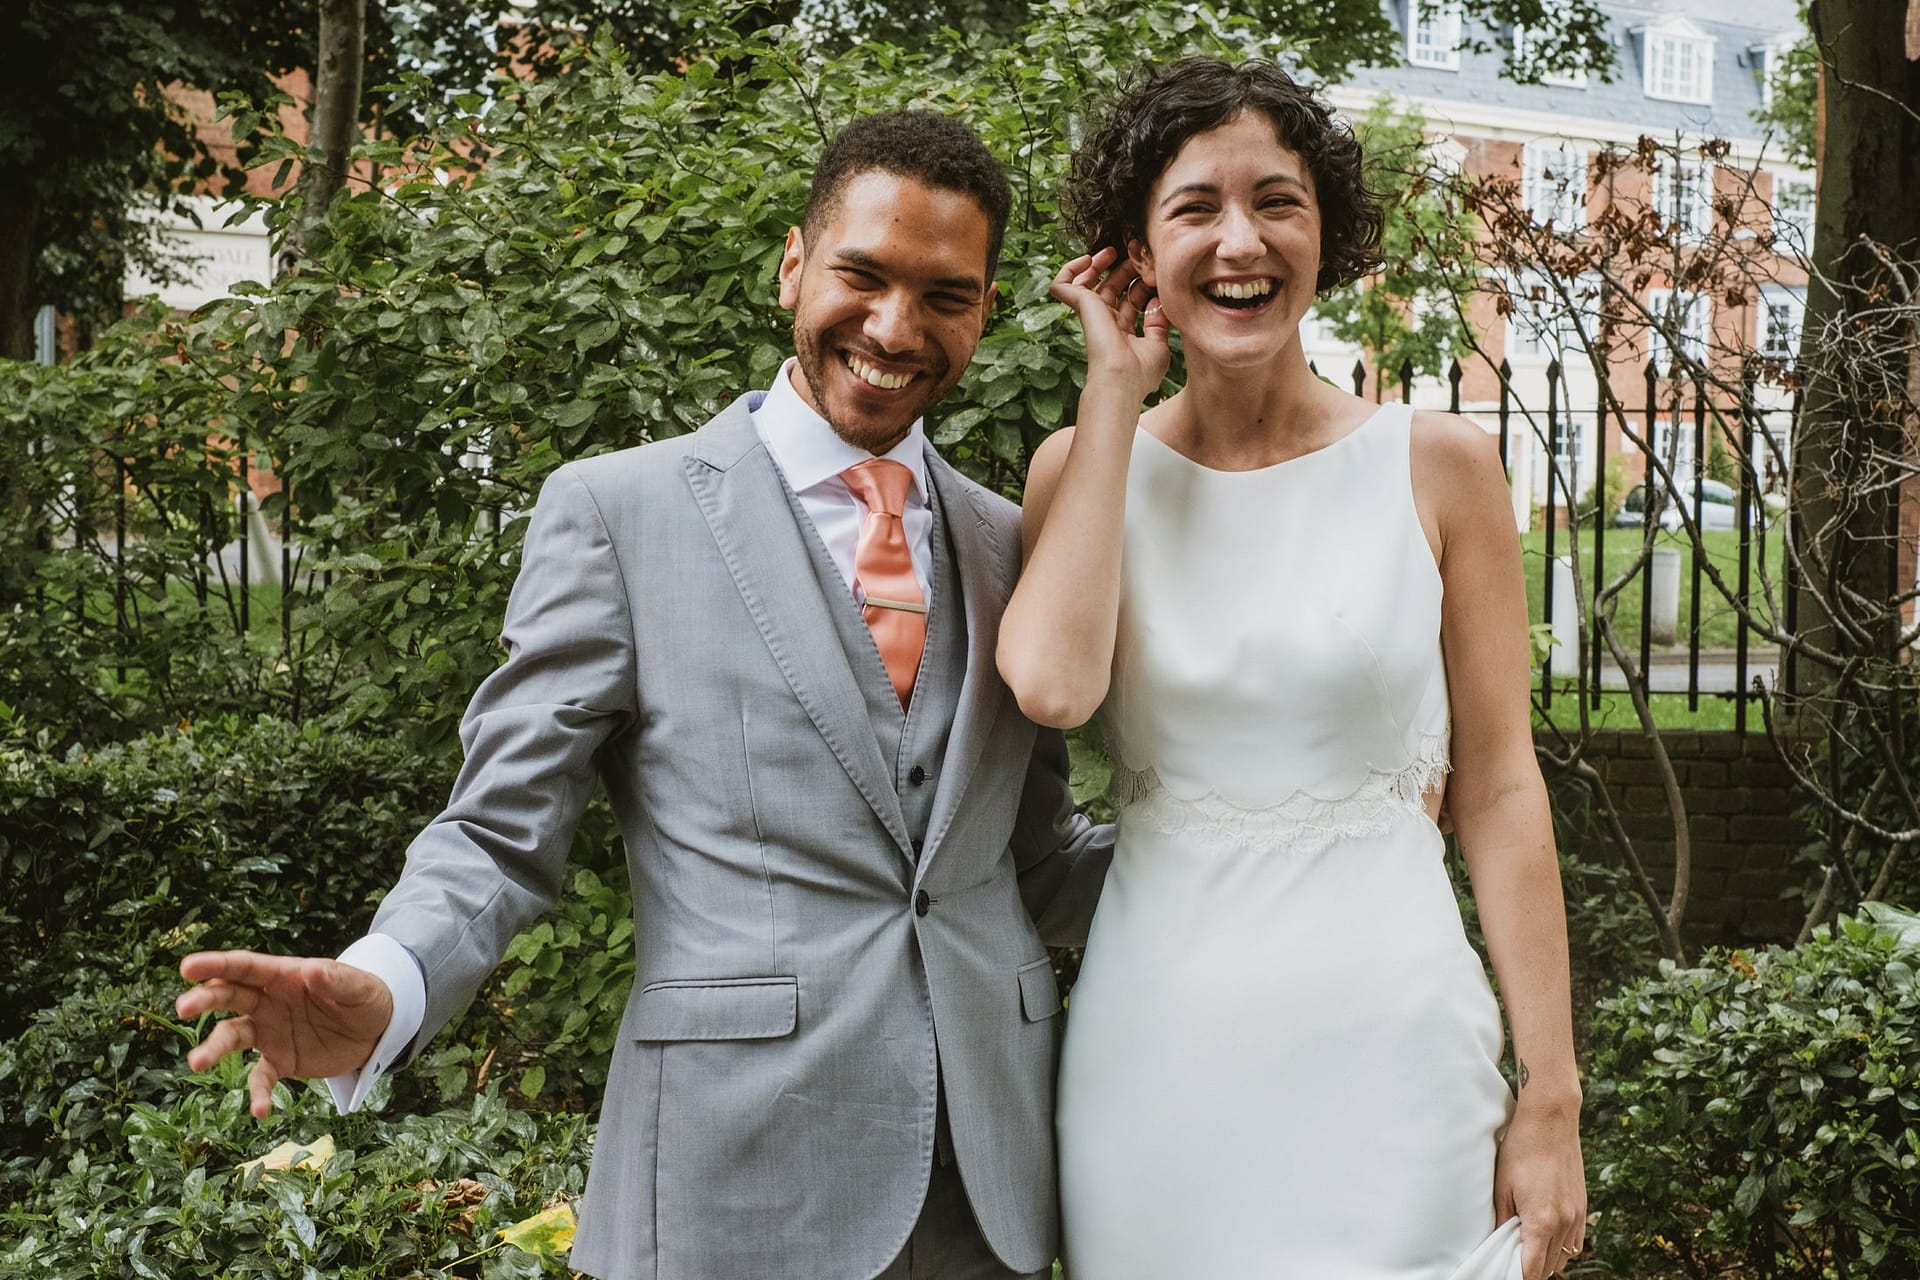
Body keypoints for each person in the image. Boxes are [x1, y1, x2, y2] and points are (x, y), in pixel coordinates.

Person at [174, 111, 1112, 1280]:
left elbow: (1035, 861)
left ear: (982, 310)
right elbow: (499, 832)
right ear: (791, 266)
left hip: (989, 1190)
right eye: (861, 276)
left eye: (945, 295)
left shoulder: (1014, 542)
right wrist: (387, 978)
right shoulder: (621, 514)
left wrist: (1272, 837)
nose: (894, 327)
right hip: (735, 1179)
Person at [995, 59, 1586, 1280]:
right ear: (1135, 252)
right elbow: (1051, 690)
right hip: (1158, 1077)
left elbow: (1502, 791)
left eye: (1278, 200)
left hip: (1397, 1061)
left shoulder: (1441, 467)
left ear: (1328, 233)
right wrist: (1115, 392)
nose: (1239, 241)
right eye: (1194, 208)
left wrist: (1552, 1097)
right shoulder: (1082, 469)